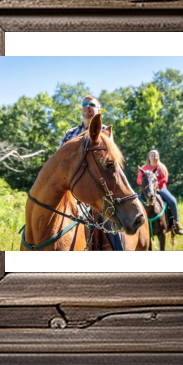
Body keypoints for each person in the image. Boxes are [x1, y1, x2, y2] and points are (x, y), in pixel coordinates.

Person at [59, 95, 124, 251]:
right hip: (71, 189)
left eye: (92, 104)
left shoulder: (105, 132)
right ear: (81, 108)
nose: (88, 106)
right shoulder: (70, 134)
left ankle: (121, 257)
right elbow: (59, 163)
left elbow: (109, 163)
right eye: (85, 104)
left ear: (99, 110)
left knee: (110, 219)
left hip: (98, 189)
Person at [137, 149, 183, 235]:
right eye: (152, 155)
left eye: (155, 155)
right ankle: (137, 224)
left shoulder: (161, 167)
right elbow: (139, 180)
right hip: (147, 190)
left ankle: (176, 223)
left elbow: (165, 179)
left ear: (158, 157)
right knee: (136, 202)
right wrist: (148, 184)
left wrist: (156, 184)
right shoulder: (143, 168)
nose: (153, 157)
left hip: (161, 189)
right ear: (149, 157)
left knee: (172, 201)